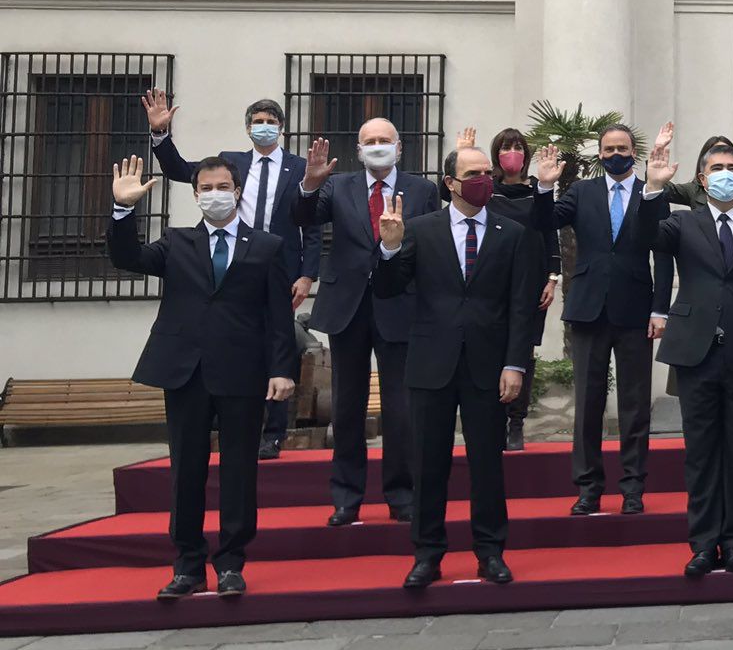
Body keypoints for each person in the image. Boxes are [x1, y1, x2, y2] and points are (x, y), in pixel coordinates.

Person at [106, 155, 296, 600]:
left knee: (238, 471)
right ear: (195, 195)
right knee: (186, 470)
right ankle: (187, 564)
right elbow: (127, 257)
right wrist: (122, 210)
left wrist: (283, 370)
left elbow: (278, 318)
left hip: (243, 372)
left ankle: (231, 562)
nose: (216, 194)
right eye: (207, 188)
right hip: (186, 372)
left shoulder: (266, 246)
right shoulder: (176, 242)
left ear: (238, 190)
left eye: (223, 186)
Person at [372, 144, 544, 589]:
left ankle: (490, 552)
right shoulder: (419, 230)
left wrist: (515, 364)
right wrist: (389, 248)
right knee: (429, 464)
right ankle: (427, 554)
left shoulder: (513, 232)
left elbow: (521, 308)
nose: (483, 179)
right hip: (432, 362)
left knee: (487, 462)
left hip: (490, 365)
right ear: (450, 183)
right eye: (473, 173)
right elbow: (388, 289)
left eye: (486, 172)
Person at [142, 89, 318, 460]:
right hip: (228, 262)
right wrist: (160, 135)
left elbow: (312, 227)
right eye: (258, 123)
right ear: (247, 128)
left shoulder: (300, 167)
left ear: (282, 129)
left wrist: (307, 274)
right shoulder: (229, 162)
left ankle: (273, 433)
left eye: (271, 123)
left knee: (278, 344)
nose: (264, 128)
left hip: (275, 267)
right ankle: (224, 426)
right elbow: (180, 171)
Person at [642, 135, 733, 577]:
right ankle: (704, 544)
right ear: (703, 179)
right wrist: (651, 188)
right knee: (702, 452)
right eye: (717, 169)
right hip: (696, 352)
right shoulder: (682, 224)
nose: (726, 175)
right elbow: (643, 235)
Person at [295, 120, 441, 527]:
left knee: (401, 408)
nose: (377, 147)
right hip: (348, 306)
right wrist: (309, 182)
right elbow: (302, 216)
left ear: (400, 147)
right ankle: (346, 497)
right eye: (369, 142)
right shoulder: (336, 186)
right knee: (346, 407)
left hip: (402, 307)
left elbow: (432, 246)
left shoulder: (422, 190)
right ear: (358, 150)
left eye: (384, 141)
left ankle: (401, 495)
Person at [531, 123, 672, 517]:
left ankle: (632, 487)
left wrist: (660, 308)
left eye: (622, 147)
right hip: (589, 309)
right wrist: (544, 187)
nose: (615, 154)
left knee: (634, 405)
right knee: (588, 404)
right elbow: (545, 223)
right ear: (599, 152)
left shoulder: (653, 189)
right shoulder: (581, 191)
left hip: (635, 311)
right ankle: (589, 488)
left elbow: (662, 251)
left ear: (634, 150)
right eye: (608, 148)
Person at [471, 125, 559, 451]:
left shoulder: (540, 190)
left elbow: (549, 231)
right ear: (497, 154)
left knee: (524, 352)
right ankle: (492, 418)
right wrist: (460, 152)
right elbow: (450, 196)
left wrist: (553, 277)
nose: (512, 153)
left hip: (532, 280)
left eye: (518, 147)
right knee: (490, 348)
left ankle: (517, 423)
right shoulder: (486, 190)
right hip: (491, 279)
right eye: (506, 147)